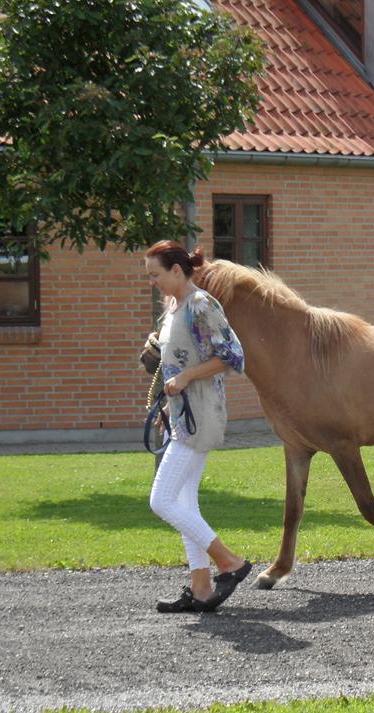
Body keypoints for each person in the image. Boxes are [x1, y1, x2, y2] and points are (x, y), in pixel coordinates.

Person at [144, 240, 252, 613]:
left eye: (155, 274)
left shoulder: (202, 305)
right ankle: (202, 588)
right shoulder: (175, 308)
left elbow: (233, 357)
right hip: (182, 414)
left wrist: (188, 377)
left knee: (161, 500)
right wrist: (168, 404)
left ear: (177, 270)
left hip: (201, 413)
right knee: (184, 502)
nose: (152, 282)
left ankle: (230, 562)